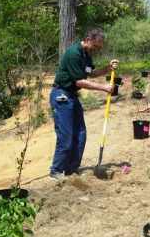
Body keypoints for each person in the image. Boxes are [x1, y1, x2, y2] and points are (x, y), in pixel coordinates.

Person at [49, 28, 119, 180]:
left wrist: (107, 69)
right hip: (61, 95)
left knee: (81, 133)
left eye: (99, 47)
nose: (96, 49)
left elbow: (89, 74)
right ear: (87, 39)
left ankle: (72, 169)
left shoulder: (86, 55)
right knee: (66, 136)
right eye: (95, 45)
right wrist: (103, 88)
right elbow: (79, 81)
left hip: (72, 96)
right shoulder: (73, 53)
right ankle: (56, 171)